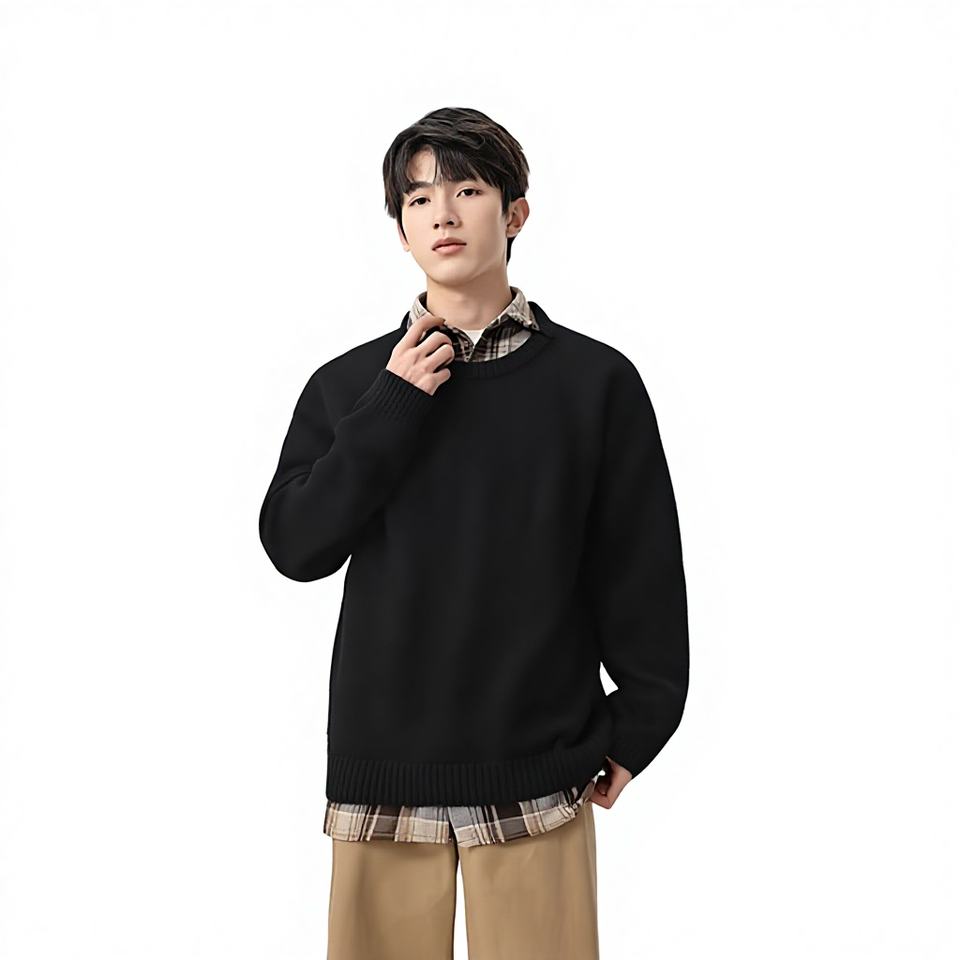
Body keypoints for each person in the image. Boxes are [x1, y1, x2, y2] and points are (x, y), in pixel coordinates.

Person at [258, 106, 689, 960]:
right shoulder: (351, 385)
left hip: (540, 769)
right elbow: (296, 547)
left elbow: (639, 566)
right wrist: (392, 407)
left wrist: (641, 723)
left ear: (515, 211)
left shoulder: (594, 383)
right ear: (401, 229)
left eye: (467, 190)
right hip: (385, 771)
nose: (443, 214)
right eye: (419, 199)